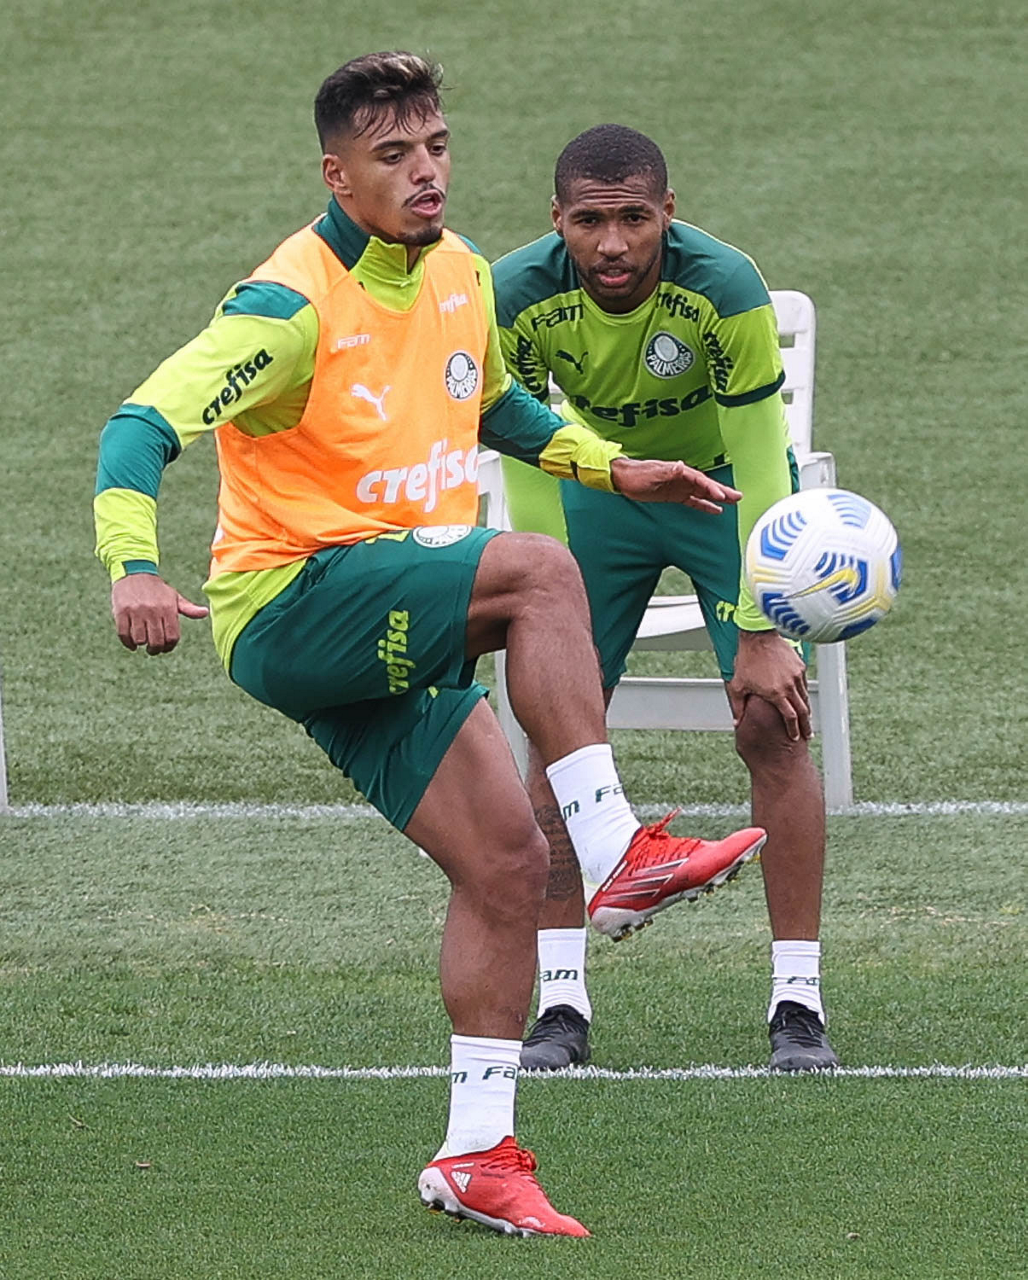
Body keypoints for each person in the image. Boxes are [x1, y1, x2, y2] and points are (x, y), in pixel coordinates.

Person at [93, 57, 767, 1238]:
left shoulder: (459, 274)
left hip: (395, 613)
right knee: (538, 569)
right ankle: (615, 847)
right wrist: (132, 565)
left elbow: (496, 406)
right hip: (292, 601)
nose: (425, 172)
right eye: (394, 155)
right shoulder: (288, 304)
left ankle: (475, 1153)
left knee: (505, 861)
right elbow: (141, 423)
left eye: (436, 146)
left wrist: (610, 467)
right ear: (337, 174)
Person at [492, 124, 839, 1075]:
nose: (612, 245)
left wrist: (762, 626)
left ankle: (797, 1000)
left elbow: (762, 456)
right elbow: (526, 452)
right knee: (557, 730)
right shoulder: (513, 295)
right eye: (589, 222)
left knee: (772, 722)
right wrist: (552, 627)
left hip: (724, 494)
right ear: (556, 220)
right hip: (599, 492)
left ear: (668, 213)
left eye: (634, 220)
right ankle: (560, 1002)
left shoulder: (724, 284)